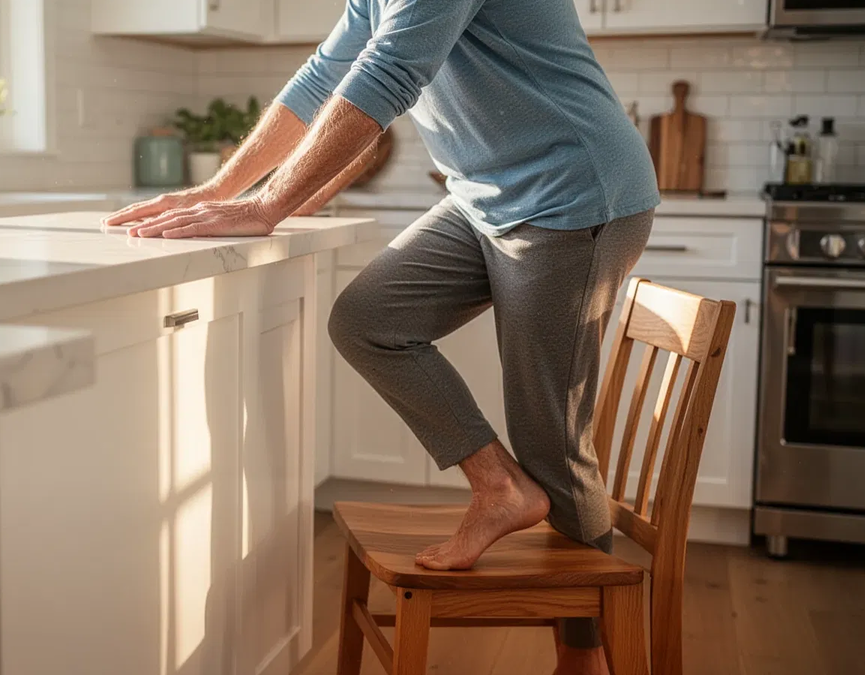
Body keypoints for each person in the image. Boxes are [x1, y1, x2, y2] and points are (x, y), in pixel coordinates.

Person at [104, 1, 659, 672]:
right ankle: (499, 488)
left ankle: (584, 658)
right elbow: (325, 75)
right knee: (369, 320)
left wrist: (268, 204)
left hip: (573, 197)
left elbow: (391, 74)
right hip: (484, 197)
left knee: (550, 438)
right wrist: (224, 188)